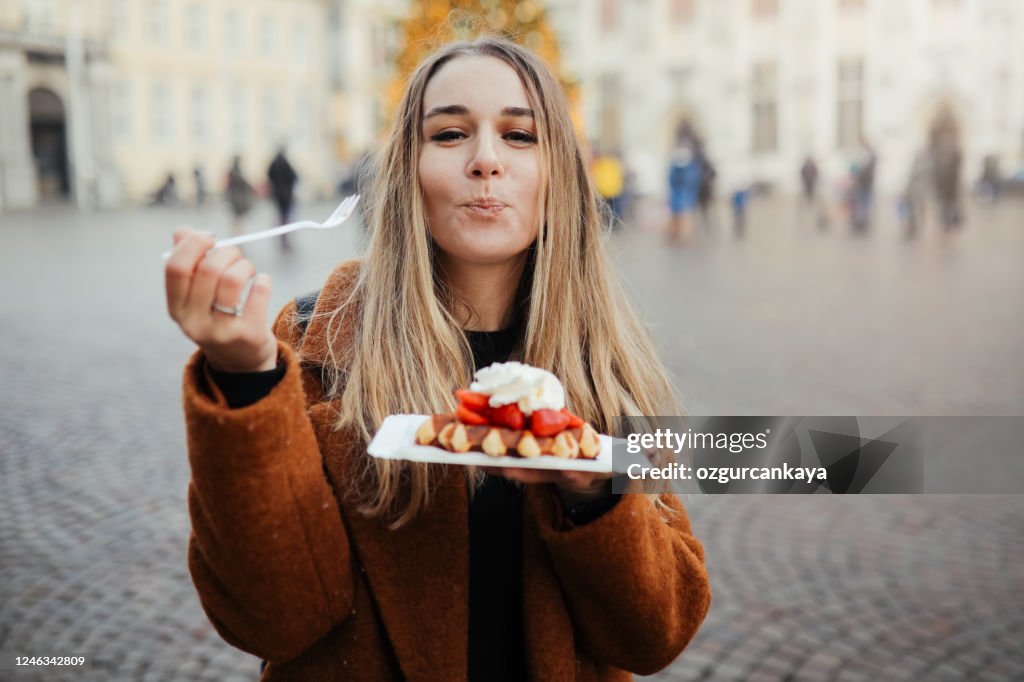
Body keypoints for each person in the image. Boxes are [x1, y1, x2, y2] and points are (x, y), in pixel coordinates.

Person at [165, 37, 710, 681]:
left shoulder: (603, 359)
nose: (485, 161)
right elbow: (275, 620)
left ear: (557, 171)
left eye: (520, 135)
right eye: (450, 134)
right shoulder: (317, 338)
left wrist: (593, 494)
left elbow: (656, 634)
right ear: (409, 170)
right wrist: (246, 376)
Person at [667, 136, 703, 244]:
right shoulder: (678, 165)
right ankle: (676, 235)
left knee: (684, 217)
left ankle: (682, 236)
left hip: (685, 196)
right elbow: (671, 179)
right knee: (677, 216)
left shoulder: (691, 166)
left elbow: (692, 181)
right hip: (679, 196)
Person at [267, 147, 300, 252]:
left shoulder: (273, 163)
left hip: (277, 195)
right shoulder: (286, 163)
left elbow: (269, 175)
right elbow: (294, 176)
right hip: (287, 195)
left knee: (280, 217)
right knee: (287, 217)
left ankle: (281, 238)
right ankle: (286, 240)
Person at [225, 155, 255, 236]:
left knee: (238, 218)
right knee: (238, 218)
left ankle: (238, 233)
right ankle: (238, 234)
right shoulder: (236, 172)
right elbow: (243, 183)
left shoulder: (233, 172)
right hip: (238, 199)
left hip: (235, 198)